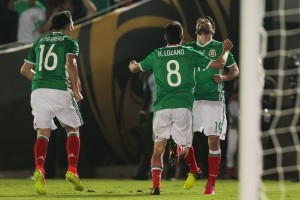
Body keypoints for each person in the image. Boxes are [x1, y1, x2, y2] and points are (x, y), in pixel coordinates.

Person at [129, 21, 233, 195]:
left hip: (162, 107)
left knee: (157, 149)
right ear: (182, 38)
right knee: (184, 147)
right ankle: (190, 165)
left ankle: (156, 186)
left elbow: (135, 68)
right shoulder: (188, 52)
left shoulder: (157, 54)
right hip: (184, 106)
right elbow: (219, 64)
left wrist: (132, 64)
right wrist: (226, 50)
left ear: (164, 37)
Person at [20, 11, 84, 195]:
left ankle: (39, 168)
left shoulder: (40, 41)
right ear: (68, 25)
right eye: (72, 23)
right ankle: (72, 169)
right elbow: (72, 64)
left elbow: (25, 70)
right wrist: (77, 91)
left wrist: (41, 81)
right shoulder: (69, 41)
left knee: (42, 132)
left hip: (38, 91)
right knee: (72, 128)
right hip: (60, 89)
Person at [184, 16, 239, 195]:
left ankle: (211, 184)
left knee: (213, 141)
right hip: (192, 101)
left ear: (212, 30)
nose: (203, 22)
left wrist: (224, 78)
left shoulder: (220, 47)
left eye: (206, 22)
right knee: (182, 140)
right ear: (195, 29)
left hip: (214, 101)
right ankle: (193, 169)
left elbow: (235, 70)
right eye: (199, 21)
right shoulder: (188, 48)